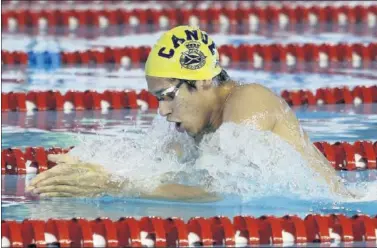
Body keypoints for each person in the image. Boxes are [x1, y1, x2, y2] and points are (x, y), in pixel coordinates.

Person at [26, 26, 355, 201]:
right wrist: (93, 168)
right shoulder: (199, 127)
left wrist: (114, 186)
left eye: (168, 96)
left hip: (340, 218)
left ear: (202, 82)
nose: (163, 110)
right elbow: (160, 170)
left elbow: (221, 193)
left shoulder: (249, 101)